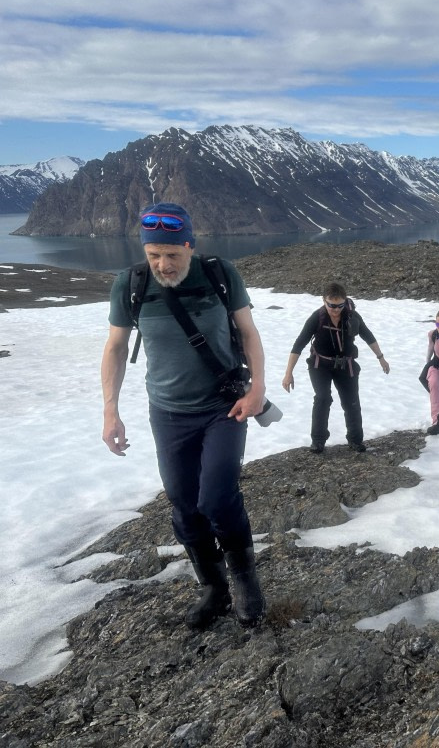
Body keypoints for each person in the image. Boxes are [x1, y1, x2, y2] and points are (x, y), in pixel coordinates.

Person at [100, 202, 266, 629]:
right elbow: (116, 348)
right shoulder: (131, 285)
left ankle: (245, 580)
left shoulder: (219, 274)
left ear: (190, 245)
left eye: (172, 253)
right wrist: (110, 411)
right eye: (154, 254)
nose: (163, 264)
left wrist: (258, 389)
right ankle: (214, 587)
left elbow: (248, 333)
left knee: (217, 497)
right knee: (184, 504)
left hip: (223, 407)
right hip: (168, 413)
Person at [281, 282, 389, 453]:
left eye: (340, 305)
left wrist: (381, 358)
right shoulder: (317, 318)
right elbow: (299, 344)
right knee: (322, 398)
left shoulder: (352, 316)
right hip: (320, 365)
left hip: (346, 365)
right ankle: (318, 441)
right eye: (331, 305)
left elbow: (368, 336)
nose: (336, 309)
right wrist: (288, 373)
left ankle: (355, 440)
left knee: (351, 402)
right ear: (324, 300)